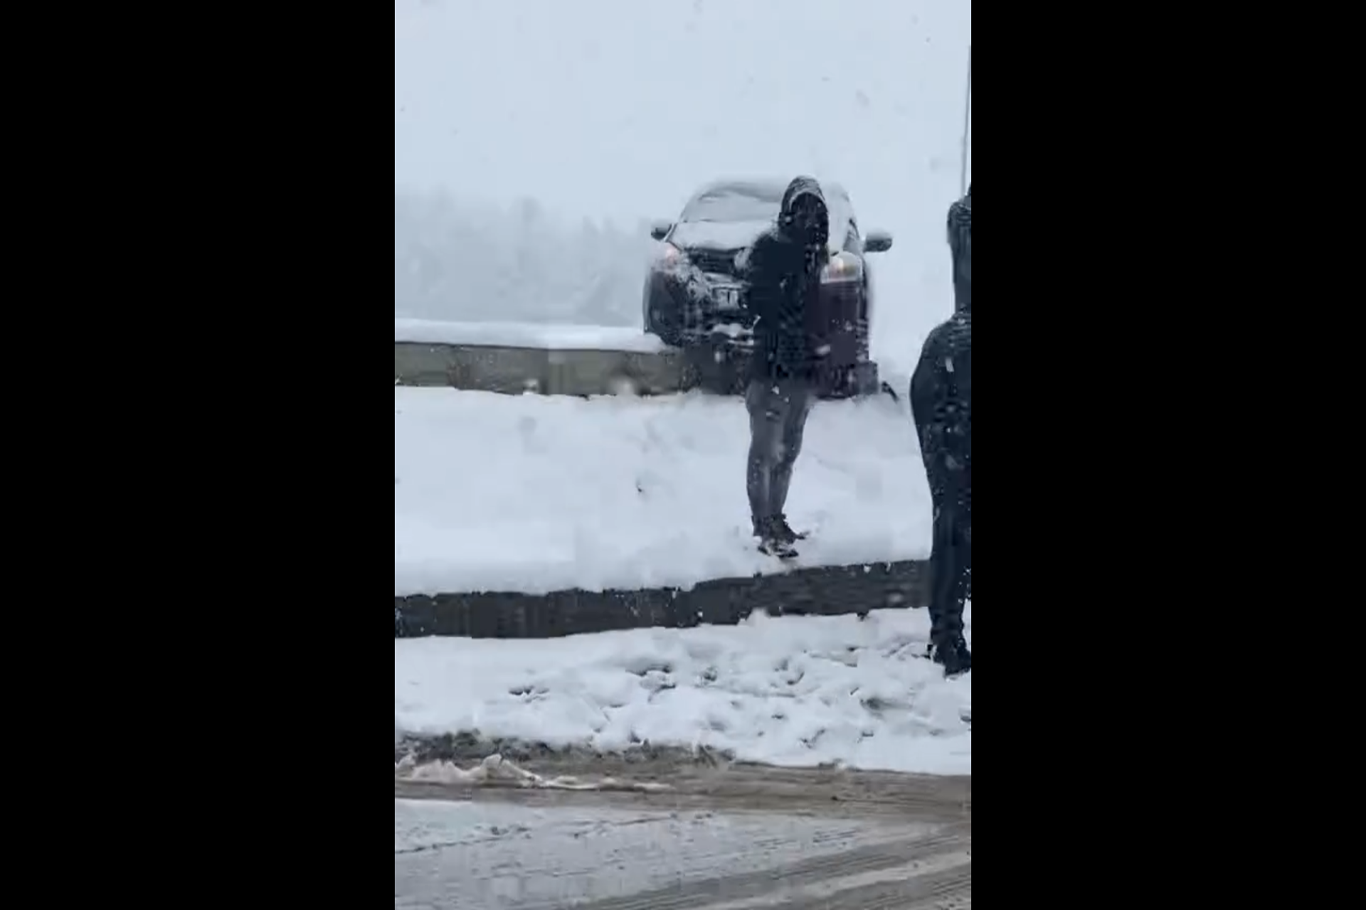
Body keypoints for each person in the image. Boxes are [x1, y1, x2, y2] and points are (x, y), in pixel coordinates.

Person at [740, 176, 831, 557]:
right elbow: (754, 300)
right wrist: (785, 301)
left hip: (801, 370)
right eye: (801, 211)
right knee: (765, 450)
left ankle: (776, 518)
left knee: (788, 450)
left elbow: (821, 313)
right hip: (770, 367)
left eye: (814, 212)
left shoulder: (818, 256)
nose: (808, 220)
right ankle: (762, 524)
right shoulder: (768, 249)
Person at [910, 185, 972, 676]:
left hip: (946, 369)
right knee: (955, 522)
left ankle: (946, 633)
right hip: (952, 383)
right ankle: (946, 637)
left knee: (954, 522)